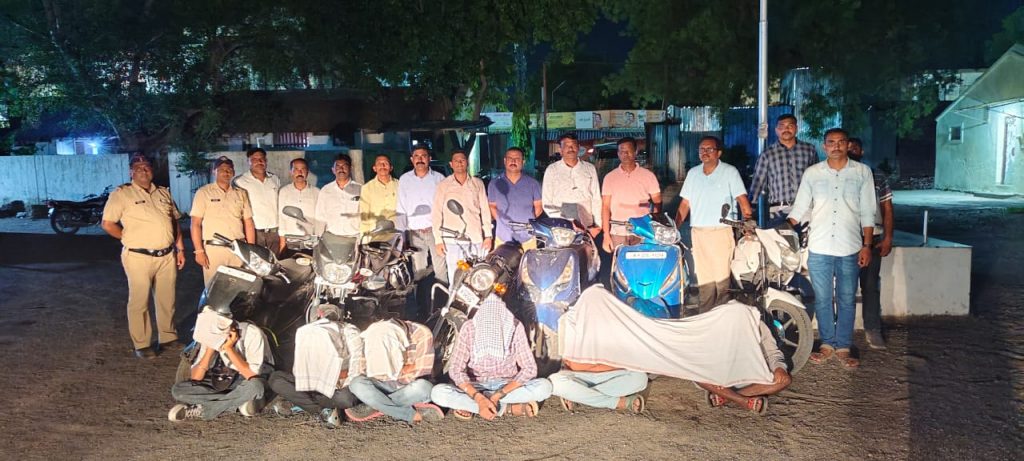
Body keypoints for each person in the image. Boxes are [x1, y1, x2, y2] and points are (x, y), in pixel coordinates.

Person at [788, 128, 876, 369]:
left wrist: (867, 246)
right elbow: (799, 208)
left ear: (848, 145)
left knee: (847, 299)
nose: (836, 146)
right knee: (823, 299)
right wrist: (780, 229)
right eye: (831, 142)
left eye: (841, 142)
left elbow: (868, 212)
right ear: (824, 146)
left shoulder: (862, 173)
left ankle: (844, 346)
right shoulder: (813, 173)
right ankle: (827, 343)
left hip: (850, 247)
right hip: (820, 246)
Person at [100, 155, 186, 359]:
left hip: (166, 255)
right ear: (131, 172)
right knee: (139, 301)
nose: (143, 170)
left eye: (146, 167)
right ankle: (142, 343)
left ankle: (168, 337)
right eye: (138, 167)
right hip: (138, 256)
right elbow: (108, 224)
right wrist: (127, 238)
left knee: (167, 299)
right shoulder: (122, 194)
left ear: (152, 170)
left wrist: (180, 248)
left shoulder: (163, 192)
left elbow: (174, 221)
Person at [430, 295, 552, 420]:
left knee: (545, 387)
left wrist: (499, 394)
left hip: (507, 386)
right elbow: (456, 370)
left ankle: (474, 406)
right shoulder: (469, 328)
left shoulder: (514, 326)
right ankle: (506, 408)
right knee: (438, 393)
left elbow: (529, 369)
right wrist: (478, 397)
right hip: (476, 386)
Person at [676, 136, 753, 311]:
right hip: (698, 232)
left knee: (721, 281)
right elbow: (685, 204)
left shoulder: (730, 171)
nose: (705, 153)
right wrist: (675, 227)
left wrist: (748, 224)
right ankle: (706, 316)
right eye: (702, 149)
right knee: (704, 281)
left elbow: (742, 200)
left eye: (709, 149)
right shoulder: (693, 173)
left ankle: (722, 318)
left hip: (721, 232)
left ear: (719, 153)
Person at [267, 304, 366, 428]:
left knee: (347, 398)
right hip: (313, 385)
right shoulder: (305, 332)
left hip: (339, 386)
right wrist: (308, 381)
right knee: (276, 379)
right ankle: (323, 410)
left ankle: (303, 403)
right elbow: (300, 369)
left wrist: (341, 380)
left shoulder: (349, 331)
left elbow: (358, 363)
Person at [168, 309, 274, 422]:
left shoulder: (251, 333)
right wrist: (210, 349)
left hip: (246, 379)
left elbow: (251, 375)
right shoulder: (209, 334)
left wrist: (229, 349)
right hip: (221, 380)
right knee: (178, 390)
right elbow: (196, 377)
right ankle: (238, 402)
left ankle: (205, 410)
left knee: (255, 386)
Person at [345, 319, 444, 424]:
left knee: (424, 388)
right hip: (381, 385)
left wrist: (397, 371)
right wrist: (408, 367)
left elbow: (423, 369)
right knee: (356, 384)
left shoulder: (421, 333)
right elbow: (362, 370)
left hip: (407, 386)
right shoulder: (373, 335)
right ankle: (406, 413)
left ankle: (375, 405)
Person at [848, 138, 894, 350]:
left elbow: (887, 208)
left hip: (873, 238)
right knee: (844, 288)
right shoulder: (836, 176)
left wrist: (888, 237)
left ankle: (873, 329)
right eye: (848, 147)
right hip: (846, 239)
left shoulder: (877, 176)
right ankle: (841, 333)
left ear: (862, 151)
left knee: (870, 285)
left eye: (855, 147)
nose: (851, 150)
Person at [698, 323, 792, 414]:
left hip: (753, 378)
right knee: (696, 373)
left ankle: (727, 397)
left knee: (785, 380)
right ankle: (744, 400)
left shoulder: (757, 323)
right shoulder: (713, 322)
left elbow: (772, 353)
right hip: (722, 379)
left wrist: (779, 368)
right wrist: (714, 375)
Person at [190, 156, 256, 286]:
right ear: (214, 171)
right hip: (214, 250)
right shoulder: (204, 192)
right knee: (214, 289)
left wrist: (250, 250)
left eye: (229, 169)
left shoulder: (241, 193)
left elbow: (248, 223)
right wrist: (199, 251)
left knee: (238, 287)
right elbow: (195, 224)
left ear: (233, 172)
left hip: (238, 248)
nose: (226, 172)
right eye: (222, 169)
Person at [432, 149, 493, 284]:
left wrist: (488, 236)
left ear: (467, 162)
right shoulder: (443, 185)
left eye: (462, 160)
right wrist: (438, 240)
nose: (459, 163)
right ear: (451, 164)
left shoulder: (477, 183)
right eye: (456, 161)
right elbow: (436, 213)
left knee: (476, 279)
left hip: (475, 239)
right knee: (455, 279)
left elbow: (485, 210)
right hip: (452, 241)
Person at [748, 114, 819, 225]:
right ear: (776, 130)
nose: (786, 129)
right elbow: (758, 185)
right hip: (778, 211)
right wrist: (751, 212)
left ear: (796, 128)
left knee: (807, 237)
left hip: (805, 209)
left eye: (790, 126)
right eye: (782, 126)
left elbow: (817, 180)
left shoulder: (809, 150)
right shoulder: (767, 154)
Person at [396, 146, 448, 286]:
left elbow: (445, 206)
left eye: (423, 156)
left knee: (441, 269)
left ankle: (442, 297)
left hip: (436, 232)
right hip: (415, 234)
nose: (420, 159)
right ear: (412, 159)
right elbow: (401, 208)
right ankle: (421, 299)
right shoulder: (404, 180)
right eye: (416, 156)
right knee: (419, 271)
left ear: (429, 158)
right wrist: (401, 237)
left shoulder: (439, 178)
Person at [600, 137, 661, 253]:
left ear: (635, 152)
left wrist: (654, 224)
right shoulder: (610, 178)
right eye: (622, 151)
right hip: (618, 231)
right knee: (619, 262)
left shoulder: (648, 176)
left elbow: (657, 202)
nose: (625, 154)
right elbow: (605, 207)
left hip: (643, 231)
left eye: (628, 151)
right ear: (618, 153)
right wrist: (606, 235)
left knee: (642, 261)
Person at [542, 132, 602, 239]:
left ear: (578, 147)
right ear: (560, 149)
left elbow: (596, 198)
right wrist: (566, 221)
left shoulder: (589, 169)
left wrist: (597, 225)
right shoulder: (552, 170)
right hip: (561, 226)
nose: (570, 148)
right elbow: (547, 202)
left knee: (586, 250)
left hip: (586, 226)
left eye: (573, 145)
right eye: (566, 145)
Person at [487, 147, 542, 250]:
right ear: (505, 161)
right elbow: (492, 207)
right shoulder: (495, 183)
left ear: (523, 162)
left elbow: (538, 206)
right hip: (503, 237)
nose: (513, 161)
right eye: (510, 158)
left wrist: (527, 220)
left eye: (517, 158)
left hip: (527, 237)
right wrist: (503, 222)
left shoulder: (533, 183)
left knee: (529, 261)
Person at [549, 360, 648, 414]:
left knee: (641, 378)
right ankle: (617, 403)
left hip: (613, 373)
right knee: (554, 380)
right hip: (576, 374)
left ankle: (577, 396)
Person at [233, 148, 281, 255]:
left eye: (262, 159)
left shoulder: (274, 179)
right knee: (256, 262)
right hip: (254, 233)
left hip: (275, 233)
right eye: (254, 159)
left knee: (276, 262)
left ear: (266, 161)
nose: (259, 162)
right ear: (248, 161)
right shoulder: (240, 181)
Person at [277, 158, 319, 254]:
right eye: (296, 169)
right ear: (291, 172)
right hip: (290, 239)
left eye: (303, 169)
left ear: (307, 171)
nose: (300, 172)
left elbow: (319, 219)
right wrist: (282, 244)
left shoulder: (316, 192)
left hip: (310, 240)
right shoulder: (284, 191)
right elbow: (282, 218)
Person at [315, 154, 362, 237]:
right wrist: (318, 237)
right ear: (333, 170)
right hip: (332, 237)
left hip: (355, 237)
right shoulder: (326, 190)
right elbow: (320, 217)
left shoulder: (361, 189)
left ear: (350, 168)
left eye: (344, 166)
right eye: (338, 166)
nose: (341, 169)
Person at [359, 154, 399, 233]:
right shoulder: (367, 188)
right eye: (379, 163)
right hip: (374, 231)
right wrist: (364, 235)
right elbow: (364, 214)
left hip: (396, 231)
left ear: (391, 167)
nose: (382, 166)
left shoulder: (400, 185)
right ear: (374, 168)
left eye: (385, 163)